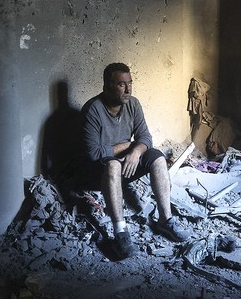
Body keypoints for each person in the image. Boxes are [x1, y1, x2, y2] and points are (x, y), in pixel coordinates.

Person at [81, 62, 189, 259]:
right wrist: (128, 145)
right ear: (107, 86)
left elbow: (146, 138)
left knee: (156, 157)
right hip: (98, 173)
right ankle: (120, 232)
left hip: (126, 167)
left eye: (130, 83)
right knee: (113, 164)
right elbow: (94, 154)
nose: (128, 89)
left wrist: (136, 151)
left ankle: (166, 220)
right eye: (122, 85)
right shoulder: (92, 110)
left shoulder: (133, 104)